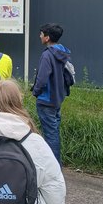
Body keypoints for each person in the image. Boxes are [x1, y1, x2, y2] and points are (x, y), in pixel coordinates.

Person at [31, 23, 71, 165]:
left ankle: (53, 166)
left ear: (47, 38)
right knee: (54, 131)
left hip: (46, 99)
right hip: (58, 98)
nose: (40, 36)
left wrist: (35, 92)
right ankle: (54, 163)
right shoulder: (62, 53)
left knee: (50, 134)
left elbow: (42, 78)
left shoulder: (48, 55)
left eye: (41, 34)